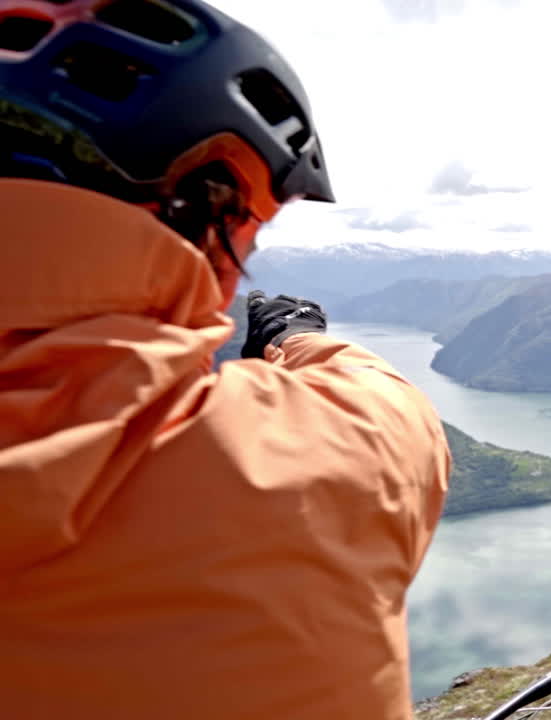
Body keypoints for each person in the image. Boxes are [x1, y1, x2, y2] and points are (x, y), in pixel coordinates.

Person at [0, 2, 450, 719]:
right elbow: (393, 410)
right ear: (201, 210)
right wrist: (292, 335)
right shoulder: (319, 457)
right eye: (248, 228)